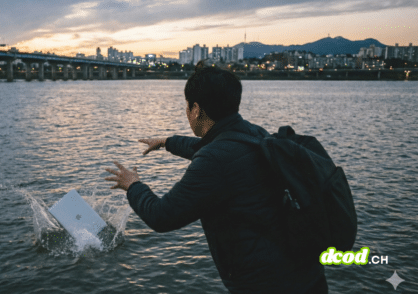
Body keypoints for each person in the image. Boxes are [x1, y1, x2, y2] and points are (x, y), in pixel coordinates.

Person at [105, 62, 327, 293]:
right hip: (304, 274)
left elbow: (162, 216)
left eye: (186, 107)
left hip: (266, 284)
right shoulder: (254, 134)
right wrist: (167, 142)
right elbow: (211, 148)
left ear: (196, 109)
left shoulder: (216, 160)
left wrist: (132, 185)